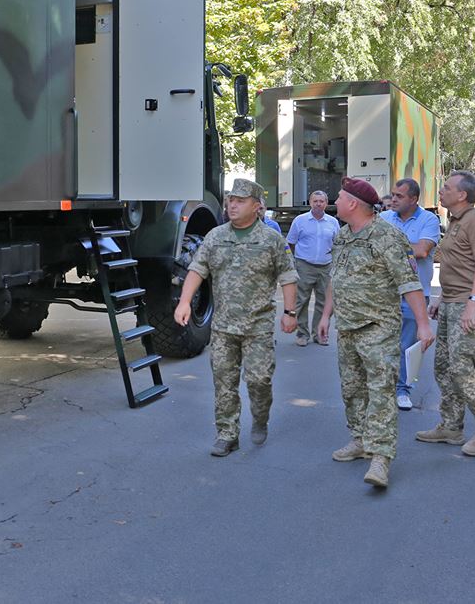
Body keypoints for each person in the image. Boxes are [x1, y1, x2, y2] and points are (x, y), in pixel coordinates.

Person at [318, 178, 434, 488]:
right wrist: (326, 315)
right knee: (352, 389)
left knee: (381, 392)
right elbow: (335, 278)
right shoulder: (343, 236)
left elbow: (409, 282)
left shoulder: (387, 236)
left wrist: (423, 324)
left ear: (353, 203)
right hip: (348, 328)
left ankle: (381, 457)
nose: (335, 201)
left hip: (378, 327)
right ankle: (360, 440)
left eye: (339, 197)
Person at [175, 179, 298, 456]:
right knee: (224, 383)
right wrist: (184, 301)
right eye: (231, 199)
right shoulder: (215, 236)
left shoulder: (271, 240)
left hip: (258, 327)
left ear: (256, 206)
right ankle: (227, 434)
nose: (232, 205)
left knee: (259, 381)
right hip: (223, 327)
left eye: (240, 201)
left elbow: (288, 277)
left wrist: (290, 313)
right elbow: (197, 269)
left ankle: (260, 418)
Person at [416, 171, 475, 456]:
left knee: (463, 368)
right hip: (451, 303)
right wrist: (441, 298)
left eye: (446, 187)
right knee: (443, 367)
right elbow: (456, 266)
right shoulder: (455, 221)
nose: (440, 191)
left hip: (468, 306)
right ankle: (451, 426)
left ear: (462, 194)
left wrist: (472, 303)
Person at [381, 178, 440, 410]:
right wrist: (405, 249)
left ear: (414, 199)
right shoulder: (384, 218)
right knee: (383, 342)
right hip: (386, 292)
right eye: (393, 194)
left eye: (400, 196)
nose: (393, 199)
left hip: (415, 293)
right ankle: (382, 387)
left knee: (408, 345)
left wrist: (389, 249)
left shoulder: (429, 220)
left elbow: (422, 250)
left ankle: (403, 389)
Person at [286, 190, 339, 346]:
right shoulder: (300, 220)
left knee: (324, 301)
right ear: (310, 203)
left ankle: (319, 334)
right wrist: (294, 262)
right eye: (315, 201)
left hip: (326, 266)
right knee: (301, 301)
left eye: (321, 201)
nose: (318, 204)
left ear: (326, 203)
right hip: (304, 265)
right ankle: (302, 334)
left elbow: (337, 244)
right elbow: (290, 242)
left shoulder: (333, 222)